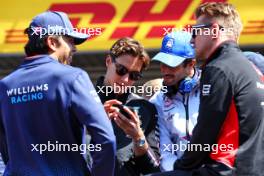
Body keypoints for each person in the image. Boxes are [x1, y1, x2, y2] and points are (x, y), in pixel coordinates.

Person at [0, 11, 116, 176]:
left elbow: (7, 150)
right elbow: (106, 139)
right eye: (69, 41)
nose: (74, 48)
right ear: (52, 42)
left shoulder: (4, 86)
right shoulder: (73, 77)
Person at [95, 37, 160, 175]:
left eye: (134, 76)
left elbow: (153, 168)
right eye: (121, 70)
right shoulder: (81, 100)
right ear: (108, 62)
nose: (125, 80)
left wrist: (138, 138)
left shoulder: (145, 109)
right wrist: (93, 123)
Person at [150, 31, 200, 171]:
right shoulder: (157, 101)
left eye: (171, 64)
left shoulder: (212, 89)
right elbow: (165, 152)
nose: (164, 70)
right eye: (162, 63)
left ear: (191, 63)